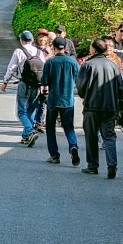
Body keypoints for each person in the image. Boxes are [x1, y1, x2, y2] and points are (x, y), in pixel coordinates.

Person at [76, 37, 123, 179]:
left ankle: (92, 165)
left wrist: (87, 94)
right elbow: (120, 89)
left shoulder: (87, 65)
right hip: (110, 107)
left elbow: (81, 89)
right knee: (109, 136)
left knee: (91, 136)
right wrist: (121, 106)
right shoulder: (113, 66)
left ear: (94, 49)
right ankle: (112, 165)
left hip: (92, 106)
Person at [1, 30, 47, 145]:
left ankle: (30, 131)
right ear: (32, 40)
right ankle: (26, 136)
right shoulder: (39, 52)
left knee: (21, 112)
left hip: (24, 84)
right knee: (31, 109)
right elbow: (44, 69)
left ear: (21, 40)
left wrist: (5, 81)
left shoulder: (19, 51)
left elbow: (11, 67)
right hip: (37, 86)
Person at [40, 36, 81, 167]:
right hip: (68, 100)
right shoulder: (73, 62)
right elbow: (79, 79)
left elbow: (44, 81)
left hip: (53, 99)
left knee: (50, 127)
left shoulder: (50, 62)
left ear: (53, 47)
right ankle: (73, 146)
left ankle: (54, 155)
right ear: (66, 47)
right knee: (69, 127)